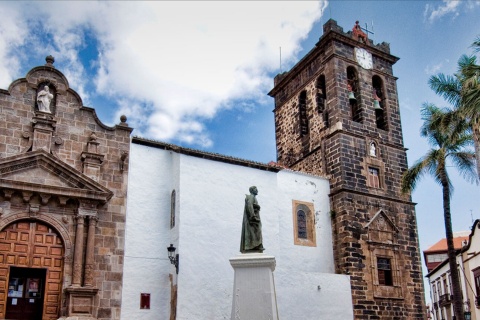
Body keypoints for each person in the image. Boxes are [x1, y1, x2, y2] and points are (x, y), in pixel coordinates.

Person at [240, 186, 264, 253]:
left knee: (256, 232)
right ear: (252, 190)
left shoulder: (254, 198)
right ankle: (255, 245)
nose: (257, 190)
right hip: (253, 220)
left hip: (254, 218)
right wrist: (253, 217)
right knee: (256, 231)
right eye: (256, 189)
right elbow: (250, 206)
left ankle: (256, 245)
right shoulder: (251, 197)